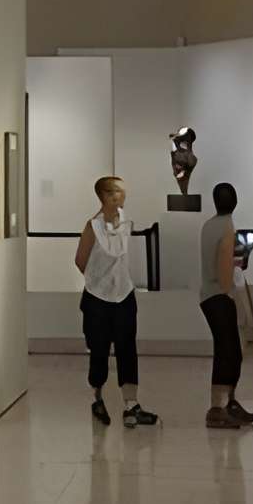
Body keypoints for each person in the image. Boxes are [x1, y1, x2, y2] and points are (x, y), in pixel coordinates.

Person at [75, 177, 158, 427]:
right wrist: (99, 280)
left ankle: (131, 404)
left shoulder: (125, 222)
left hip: (124, 295)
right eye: (116, 192)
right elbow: (81, 260)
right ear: (105, 196)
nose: (122, 196)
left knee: (127, 348)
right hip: (98, 298)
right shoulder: (93, 227)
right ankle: (97, 398)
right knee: (99, 350)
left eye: (122, 191)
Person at [199, 182, 253, 429]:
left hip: (210, 295)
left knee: (230, 350)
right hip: (219, 297)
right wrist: (239, 262)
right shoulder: (226, 228)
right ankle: (218, 408)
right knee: (228, 352)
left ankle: (229, 403)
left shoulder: (209, 224)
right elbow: (224, 274)